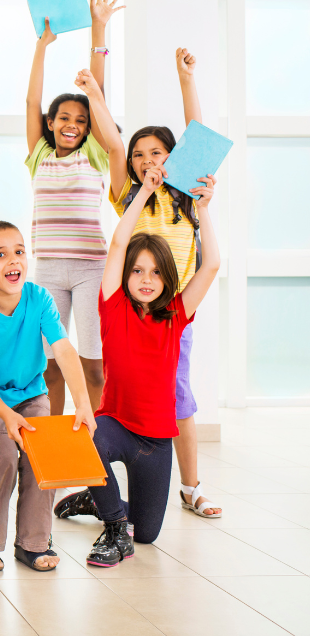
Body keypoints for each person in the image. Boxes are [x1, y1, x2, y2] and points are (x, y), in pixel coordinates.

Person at [57, 166, 220, 567]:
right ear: (125, 274)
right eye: (137, 270)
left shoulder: (177, 315)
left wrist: (202, 210)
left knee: (146, 534)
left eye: (155, 272)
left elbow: (212, 264)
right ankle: (113, 526)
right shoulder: (113, 308)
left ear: (168, 278)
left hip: (155, 441)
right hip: (116, 424)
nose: (146, 279)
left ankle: (96, 499)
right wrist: (143, 194)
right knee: (90, 439)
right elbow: (117, 246)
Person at [100, 47, 222, 519]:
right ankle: (107, 479)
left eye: (157, 152)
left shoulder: (189, 196)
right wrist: (95, 90)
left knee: (180, 399)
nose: (147, 159)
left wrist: (185, 79)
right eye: (139, 155)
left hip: (173, 315)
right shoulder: (132, 197)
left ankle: (190, 487)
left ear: (174, 158)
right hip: (131, 315)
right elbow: (112, 144)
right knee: (126, 395)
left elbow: (198, 137)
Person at [0, 220, 96, 572]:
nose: (13, 260)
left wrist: (83, 405)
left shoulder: (40, 298)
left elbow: (63, 351)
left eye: (18, 251)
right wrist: (6, 416)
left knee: (40, 456)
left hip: (31, 392)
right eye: (0, 255)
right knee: (2, 456)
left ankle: (33, 542)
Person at [24, 0, 124, 416]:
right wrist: (42, 48)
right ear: (51, 122)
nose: (72, 124)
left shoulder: (95, 153)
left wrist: (98, 28)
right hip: (47, 268)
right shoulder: (40, 155)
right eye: (64, 117)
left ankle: (96, 441)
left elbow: (96, 94)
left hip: (89, 268)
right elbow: (31, 100)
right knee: (49, 367)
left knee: (93, 364)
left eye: (80, 121)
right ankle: (57, 445)